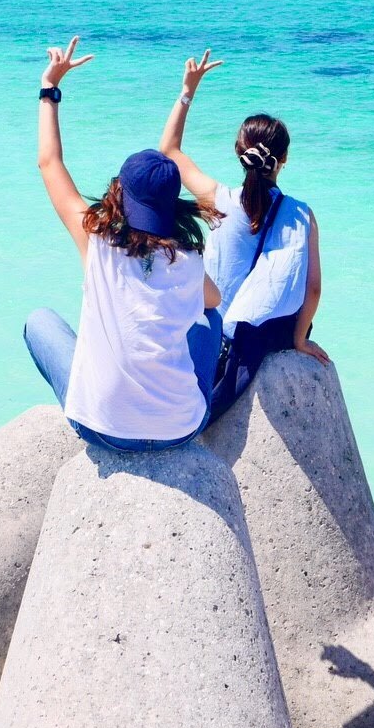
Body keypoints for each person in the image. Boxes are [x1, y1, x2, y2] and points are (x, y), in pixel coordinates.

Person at [23, 36, 227, 451]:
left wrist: (50, 88)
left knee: (39, 322)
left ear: (119, 192)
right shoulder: (186, 259)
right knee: (211, 320)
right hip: (181, 430)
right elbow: (213, 299)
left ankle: (109, 393)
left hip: (103, 431)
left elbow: (49, 163)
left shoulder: (96, 242)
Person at [158, 47, 329, 411]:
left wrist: (188, 90)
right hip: (266, 337)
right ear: (283, 161)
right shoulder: (302, 214)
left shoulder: (217, 200)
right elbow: (313, 289)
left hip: (218, 335)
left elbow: (169, 151)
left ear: (239, 152)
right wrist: (300, 339)